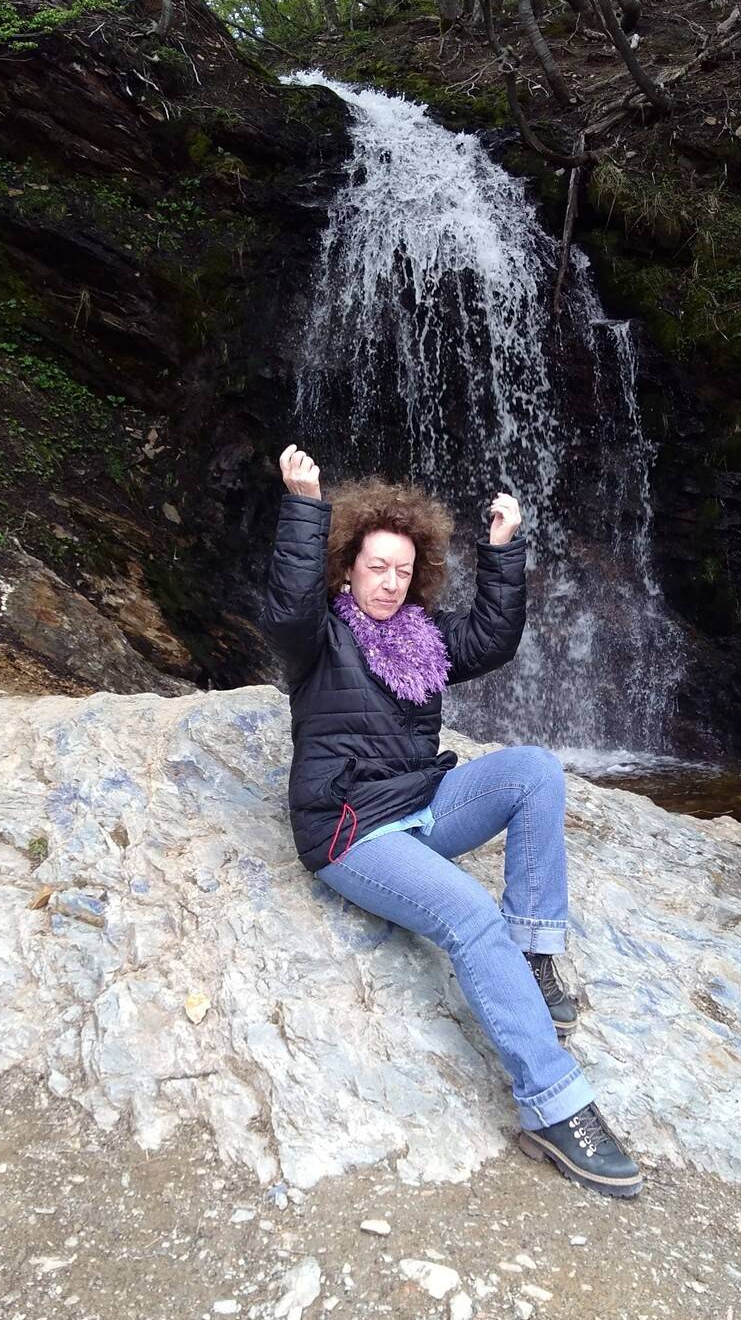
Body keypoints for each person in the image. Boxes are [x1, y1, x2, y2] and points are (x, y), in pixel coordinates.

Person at [261, 444, 641, 1198]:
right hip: (350, 829)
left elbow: (493, 641)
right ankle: (556, 1107)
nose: (390, 582)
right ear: (347, 567)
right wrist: (304, 505)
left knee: (533, 769)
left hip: (419, 807)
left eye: (403, 570)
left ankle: (534, 954)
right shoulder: (317, 639)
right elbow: (283, 607)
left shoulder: (421, 640)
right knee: (469, 914)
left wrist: (505, 551)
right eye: (376, 567)